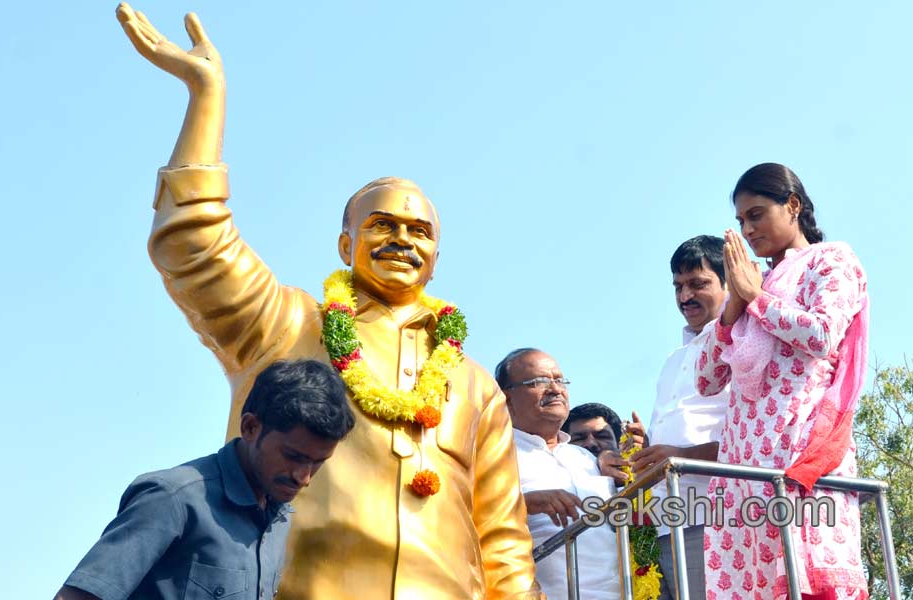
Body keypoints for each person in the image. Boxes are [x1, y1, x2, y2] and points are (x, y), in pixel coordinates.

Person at [115, 5, 542, 599]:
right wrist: (205, 96)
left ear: (437, 257)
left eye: (420, 233)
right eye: (382, 225)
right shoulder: (286, 325)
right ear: (345, 244)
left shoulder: (475, 386)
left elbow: (502, 540)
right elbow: (194, 245)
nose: (402, 240)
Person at [696, 163, 869, 599]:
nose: (747, 229)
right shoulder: (755, 280)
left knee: (804, 582)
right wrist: (736, 302)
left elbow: (821, 335)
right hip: (743, 466)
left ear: (792, 206)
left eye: (756, 215)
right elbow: (706, 379)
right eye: (740, 221)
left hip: (798, 452)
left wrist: (756, 298)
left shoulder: (831, 259)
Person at [53, 360, 355, 600]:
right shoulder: (173, 499)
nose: (304, 478)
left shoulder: (278, 520)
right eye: (294, 456)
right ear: (250, 427)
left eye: (318, 463)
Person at [627, 235, 732, 600]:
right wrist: (650, 446)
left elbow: (754, 438)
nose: (685, 296)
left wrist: (679, 456)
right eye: (678, 286)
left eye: (698, 283)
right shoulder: (674, 358)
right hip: (664, 522)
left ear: (730, 281)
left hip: (718, 517)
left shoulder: (745, 342)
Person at [496, 349, 620, 600]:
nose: (556, 389)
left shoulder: (584, 457)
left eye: (560, 380)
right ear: (506, 398)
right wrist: (525, 504)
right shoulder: (495, 454)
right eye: (539, 381)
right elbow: (468, 517)